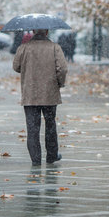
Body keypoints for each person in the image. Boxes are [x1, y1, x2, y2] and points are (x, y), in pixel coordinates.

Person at [13, 29, 68, 166]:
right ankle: (51, 155)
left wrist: (28, 67)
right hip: (49, 93)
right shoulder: (55, 48)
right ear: (47, 32)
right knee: (50, 125)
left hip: (30, 94)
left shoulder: (24, 48)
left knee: (32, 128)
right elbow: (62, 68)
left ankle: (36, 159)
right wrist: (59, 83)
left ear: (33, 32)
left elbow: (16, 66)